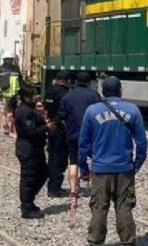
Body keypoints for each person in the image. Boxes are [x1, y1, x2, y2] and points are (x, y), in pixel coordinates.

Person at [78, 76, 148, 246]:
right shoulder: (132, 110)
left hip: (100, 168)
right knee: (124, 206)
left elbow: (83, 144)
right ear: (120, 90)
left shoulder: (91, 111)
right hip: (124, 167)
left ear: (103, 91)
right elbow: (141, 143)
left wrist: (84, 168)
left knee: (99, 207)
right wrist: (136, 165)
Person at [59, 72, 102, 210]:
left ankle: (73, 190)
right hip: (91, 134)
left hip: (73, 133)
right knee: (94, 158)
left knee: (73, 160)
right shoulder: (94, 96)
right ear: (90, 82)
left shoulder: (67, 96)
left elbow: (62, 114)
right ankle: (95, 187)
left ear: (75, 81)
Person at [15, 89, 56, 219]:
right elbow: (29, 132)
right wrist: (46, 127)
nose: (37, 97)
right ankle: (26, 206)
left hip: (35, 149)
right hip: (28, 150)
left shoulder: (28, 109)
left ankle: (29, 201)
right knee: (29, 178)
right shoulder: (25, 112)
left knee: (43, 173)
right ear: (27, 98)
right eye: (34, 95)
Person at [44, 71, 72, 197]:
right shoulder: (65, 95)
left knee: (52, 156)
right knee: (60, 158)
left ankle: (52, 186)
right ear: (67, 81)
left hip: (51, 127)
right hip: (60, 128)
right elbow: (65, 113)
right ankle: (55, 188)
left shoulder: (49, 91)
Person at [0, 51, 24, 135]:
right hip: (3, 94)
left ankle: (12, 127)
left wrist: (21, 90)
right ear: (4, 60)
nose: (9, 61)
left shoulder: (16, 68)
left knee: (13, 111)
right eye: (7, 59)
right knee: (4, 111)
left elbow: (20, 80)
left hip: (14, 94)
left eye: (10, 59)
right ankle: (6, 126)